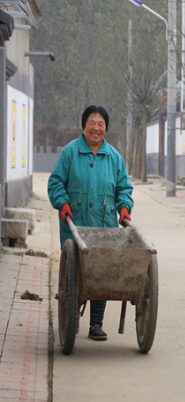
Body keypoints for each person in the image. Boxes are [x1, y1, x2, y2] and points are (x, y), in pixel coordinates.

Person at [48, 105, 134, 341]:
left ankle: (96, 322)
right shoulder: (70, 152)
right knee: (75, 271)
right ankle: (73, 313)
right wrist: (62, 203)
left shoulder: (114, 157)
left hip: (105, 227)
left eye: (101, 124)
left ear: (106, 128)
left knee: (101, 272)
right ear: (84, 126)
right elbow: (55, 183)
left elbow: (124, 188)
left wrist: (124, 208)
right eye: (92, 123)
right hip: (74, 225)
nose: (96, 128)